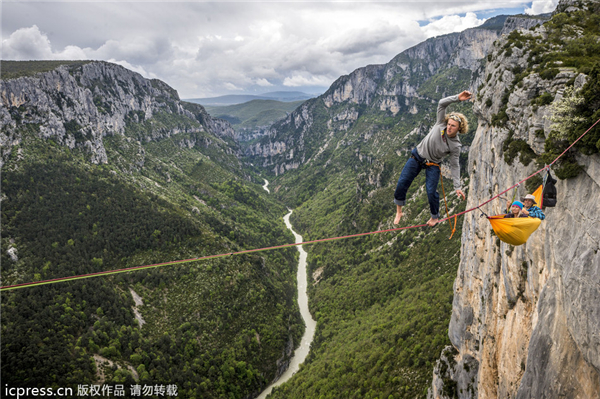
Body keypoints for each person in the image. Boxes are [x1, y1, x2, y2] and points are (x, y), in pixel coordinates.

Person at [393, 91, 471, 226]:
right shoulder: (440, 123)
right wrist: (457, 98)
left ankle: (435, 217)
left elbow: (455, 165)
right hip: (418, 156)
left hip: (433, 164)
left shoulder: (456, 145)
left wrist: (457, 186)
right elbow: (442, 103)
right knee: (402, 182)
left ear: (459, 128)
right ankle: (399, 211)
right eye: (449, 124)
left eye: (453, 126)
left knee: (431, 192)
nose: (449, 127)